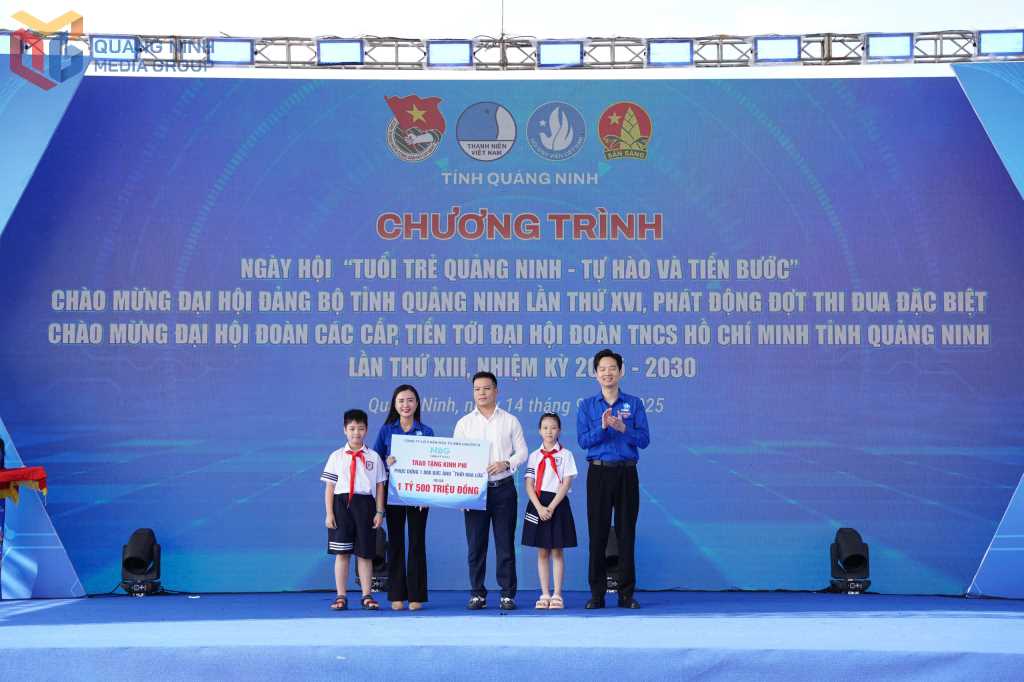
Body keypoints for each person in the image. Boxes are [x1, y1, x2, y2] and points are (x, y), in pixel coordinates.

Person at [577, 348, 650, 609]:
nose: (607, 373)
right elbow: (583, 441)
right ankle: (597, 594)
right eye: (602, 369)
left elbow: (644, 440)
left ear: (621, 372)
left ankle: (626, 594)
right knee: (597, 533)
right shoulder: (587, 405)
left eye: (612, 368)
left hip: (626, 472)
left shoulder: (634, 404)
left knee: (626, 532)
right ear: (595, 374)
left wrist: (623, 428)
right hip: (598, 473)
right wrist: (603, 427)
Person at [453, 371, 528, 610]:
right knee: (476, 545)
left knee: (505, 543)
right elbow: (457, 459)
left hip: (503, 488)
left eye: (486, 388)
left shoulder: (510, 420)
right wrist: (461, 494)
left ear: (496, 391)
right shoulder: (464, 423)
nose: (481, 393)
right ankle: (477, 593)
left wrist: (507, 463)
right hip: (475, 491)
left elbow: (523, 452)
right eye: (477, 389)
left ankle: (507, 594)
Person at [373, 384, 435, 611]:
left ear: (417, 404)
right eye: (401, 401)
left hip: (419, 496)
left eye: (410, 400)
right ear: (395, 404)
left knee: (417, 542)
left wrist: (427, 495)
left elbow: (433, 466)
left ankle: (416, 595)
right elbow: (374, 461)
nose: (405, 405)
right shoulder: (387, 430)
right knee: (396, 542)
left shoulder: (426, 431)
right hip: (394, 494)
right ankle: (396, 594)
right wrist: (385, 462)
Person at [321, 409, 387, 611]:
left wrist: (379, 511)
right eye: (352, 428)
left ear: (366, 430)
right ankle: (341, 596)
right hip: (341, 506)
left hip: (365, 506)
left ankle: (367, 595)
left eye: (360, 428)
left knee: (365, 554)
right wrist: (329, 513)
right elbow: (330, 487)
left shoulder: (374, 457)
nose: (356, 432)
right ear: (344, 430)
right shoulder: (336, 456)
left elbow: (379, 486)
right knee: (342, 554)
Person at [522, 413, 578, 610]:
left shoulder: (566, 455)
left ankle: (557, 594)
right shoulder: (534, 456)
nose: (549, 432)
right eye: (545, 428)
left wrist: (551, 507)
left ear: (559, 430)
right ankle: (545, 593)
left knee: (557, 551)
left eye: (553, 427)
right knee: (542, 551)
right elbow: (529, 484)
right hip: (538, 504)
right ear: (539, 431)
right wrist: (539, 507)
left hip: (557, 504)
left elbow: (566, 483)